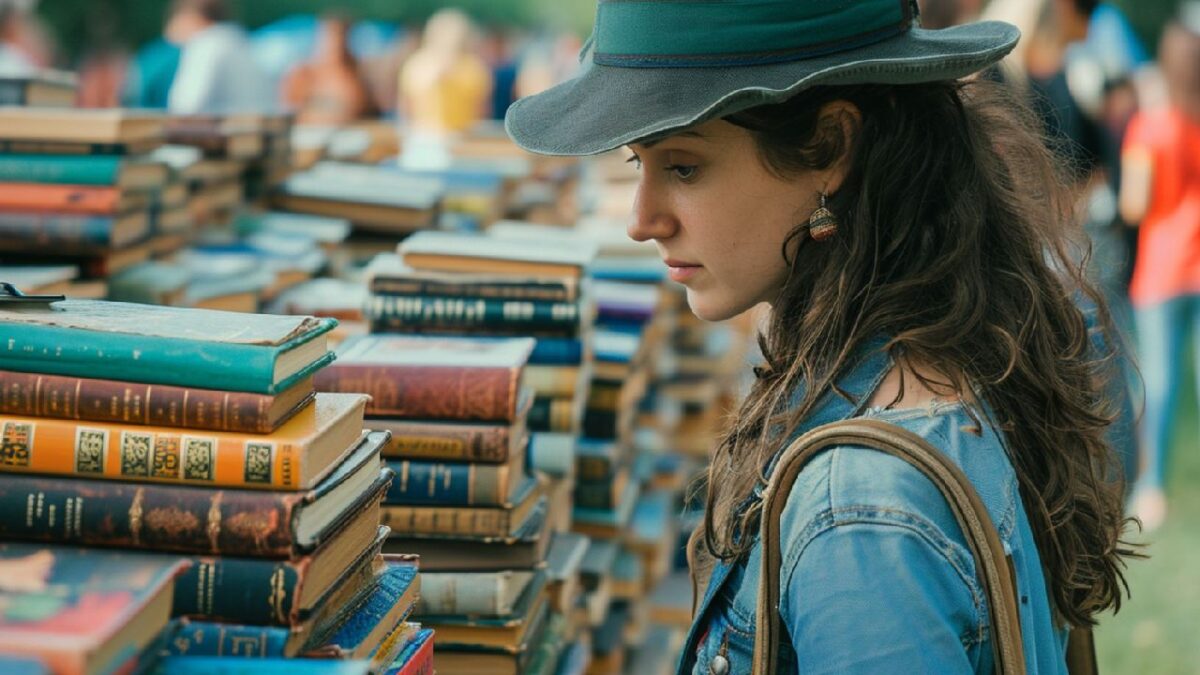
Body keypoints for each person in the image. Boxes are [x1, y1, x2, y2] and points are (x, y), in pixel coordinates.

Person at [505, 1, 1135, 673]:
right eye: (639, 163)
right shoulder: (955, 343)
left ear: (831, 147)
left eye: (683, 167)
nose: (642, 219)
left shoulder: (861, 510)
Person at [1119, 2, 1200, 531]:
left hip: (1161, 272)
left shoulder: (1150, 126)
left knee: (1160, 383)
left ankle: (1151, 489)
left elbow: (1134, 204)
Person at [164, 0, 271, 115]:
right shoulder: (239, 40)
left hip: (235, 125)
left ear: (189, 17)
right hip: (258, 122)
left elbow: (185, 106)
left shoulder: (206, 44)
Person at [280, 13, 376, 125]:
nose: (338, 41)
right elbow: (290, 110)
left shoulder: (360, 72)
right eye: (332, 34)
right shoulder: (304, 73)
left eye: (342, 34)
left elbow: (362, 109)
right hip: (313, 131)